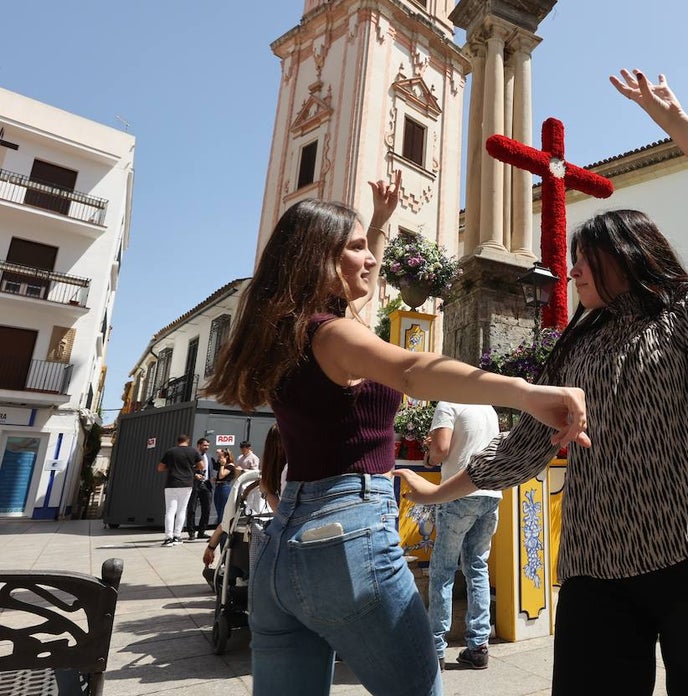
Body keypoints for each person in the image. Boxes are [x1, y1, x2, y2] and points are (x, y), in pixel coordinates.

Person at [399, 69, 688, 695]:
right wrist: (435, 493)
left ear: (628, 257)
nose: (572, 273)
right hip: (596, 571)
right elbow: (518, 453)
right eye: (572, 264)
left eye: (585, 262)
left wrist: (674, 121)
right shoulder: (573, 354)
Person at [202, 166, 588, 696]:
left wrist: (379, 225)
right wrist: (525, 393)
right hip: (346, 531)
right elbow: (411, 369)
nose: (372, 260)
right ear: (322, 260)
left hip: (283, 546)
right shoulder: (332, 336)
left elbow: (358, 311)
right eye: (358, 249)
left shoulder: (290, 332)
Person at [423, 401, 501, 671]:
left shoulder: (447, 404)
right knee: (477, 567)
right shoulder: (487, 407)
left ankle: (435, 648)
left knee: (443, 570)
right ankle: (479, 646)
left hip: (458, 494)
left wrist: (429, 454)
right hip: (490, 494)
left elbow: (441, 450)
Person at [204, 425, 287, 575]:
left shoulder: (270, 477)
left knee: (231, 531)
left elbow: (227, 522)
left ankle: (232, 574)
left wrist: (210, 547)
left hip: (270, 524)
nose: (243, 448)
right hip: (259, 497)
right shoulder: (245, 463)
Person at [156, 434, 198, 547]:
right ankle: (177, 536)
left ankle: (168, 537)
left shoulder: (170, 452)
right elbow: (201, 466)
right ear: (187, 441)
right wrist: (190, 468)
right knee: (182, 510)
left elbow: (160, 468)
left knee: (170, 511)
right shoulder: (193, 451)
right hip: (187, 483)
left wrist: (171, 467)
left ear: (178, 441)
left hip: (172, 483)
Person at [187, 438, 214, 540]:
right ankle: (191, 532)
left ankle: (202, 532)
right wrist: (194, 475)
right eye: (204, 445)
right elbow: (187, 468)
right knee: (192, 509)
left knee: (206, 509)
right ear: (198, 445)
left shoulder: (209, 456)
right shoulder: (192, 455)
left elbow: (214, 467)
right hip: (194, 484)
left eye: (207, 445)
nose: (206, 447)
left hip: (206, 485)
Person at [214, 448, 239, 525]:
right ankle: (220, 528)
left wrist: (222, 465)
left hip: (224, 488)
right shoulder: (224, 465)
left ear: (226, 457)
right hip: (218, 487)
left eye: (221, 457)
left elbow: (221, 475)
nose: (219, 459)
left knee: (222, 510)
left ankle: (223, 531)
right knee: (218, 509)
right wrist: (216, 479)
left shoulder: (230, 466)